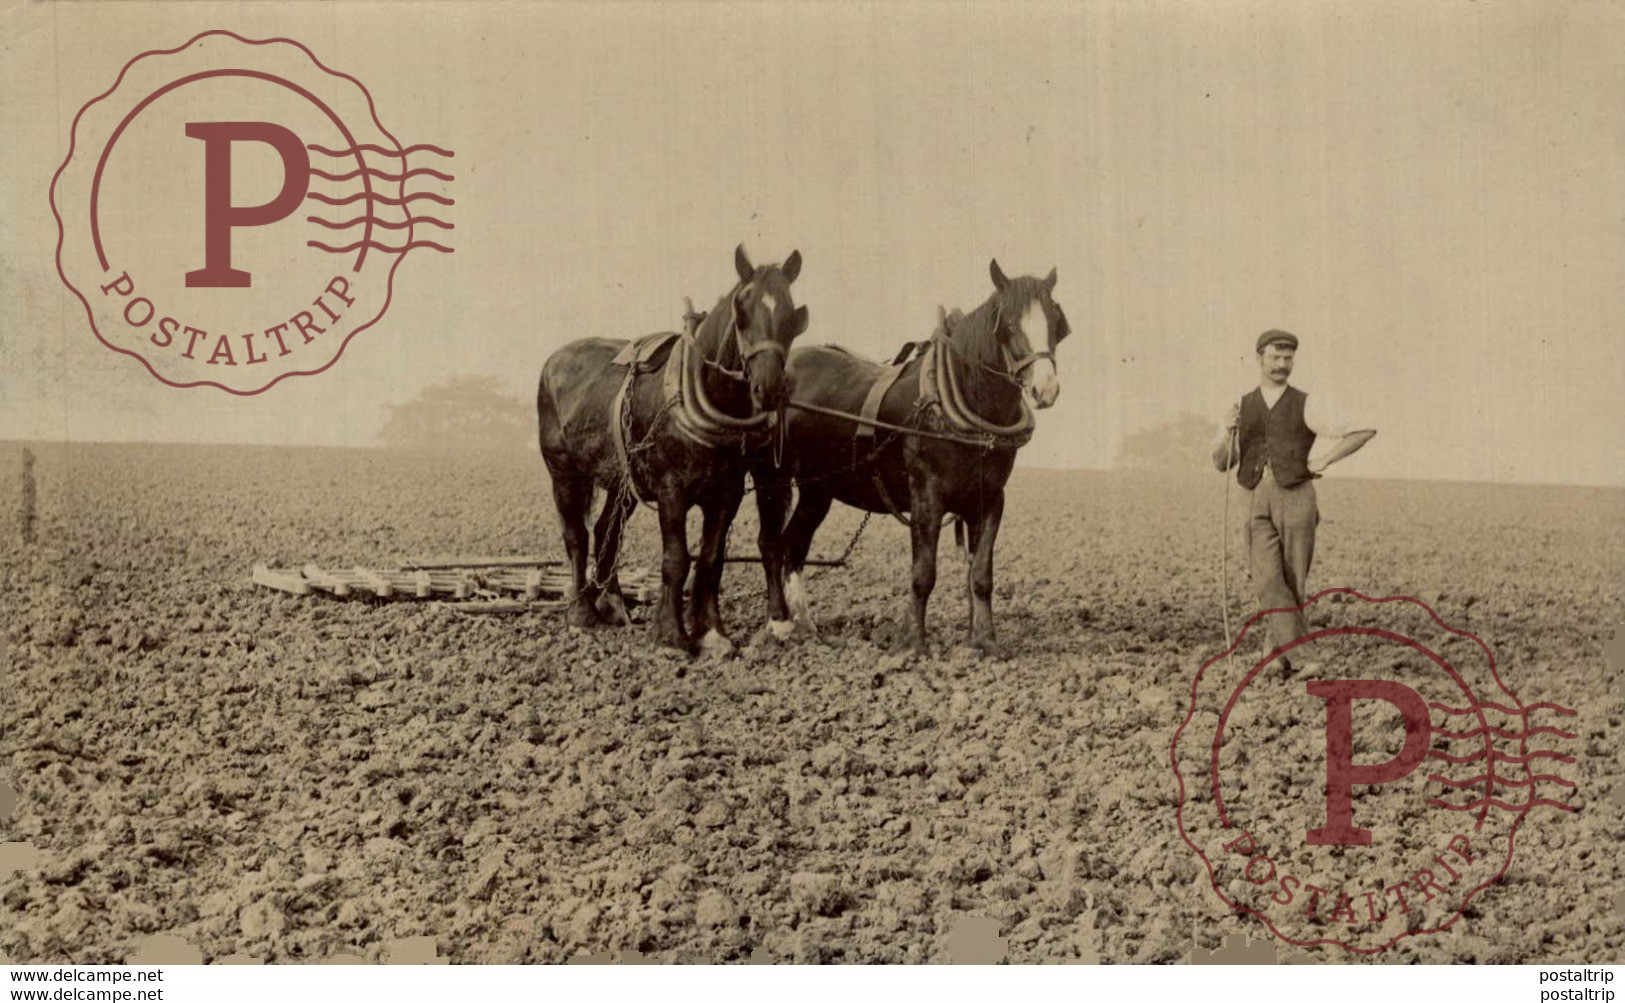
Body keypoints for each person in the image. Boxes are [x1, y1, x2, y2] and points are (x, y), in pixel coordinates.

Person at [1212, 330, 1376, 669]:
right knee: (1266, 580)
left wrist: (1325, 459)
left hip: (1296, 495)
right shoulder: (1240, 405)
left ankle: (1276, 658)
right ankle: (1302, 658)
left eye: (1288, 358)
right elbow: (1222, 462)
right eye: (1275, 357)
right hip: (1253, 495)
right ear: (1259, 359)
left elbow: (1362, 429)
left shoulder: (1307, 402)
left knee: (1292, 580)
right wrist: (1229, 432)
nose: (1282, 364)